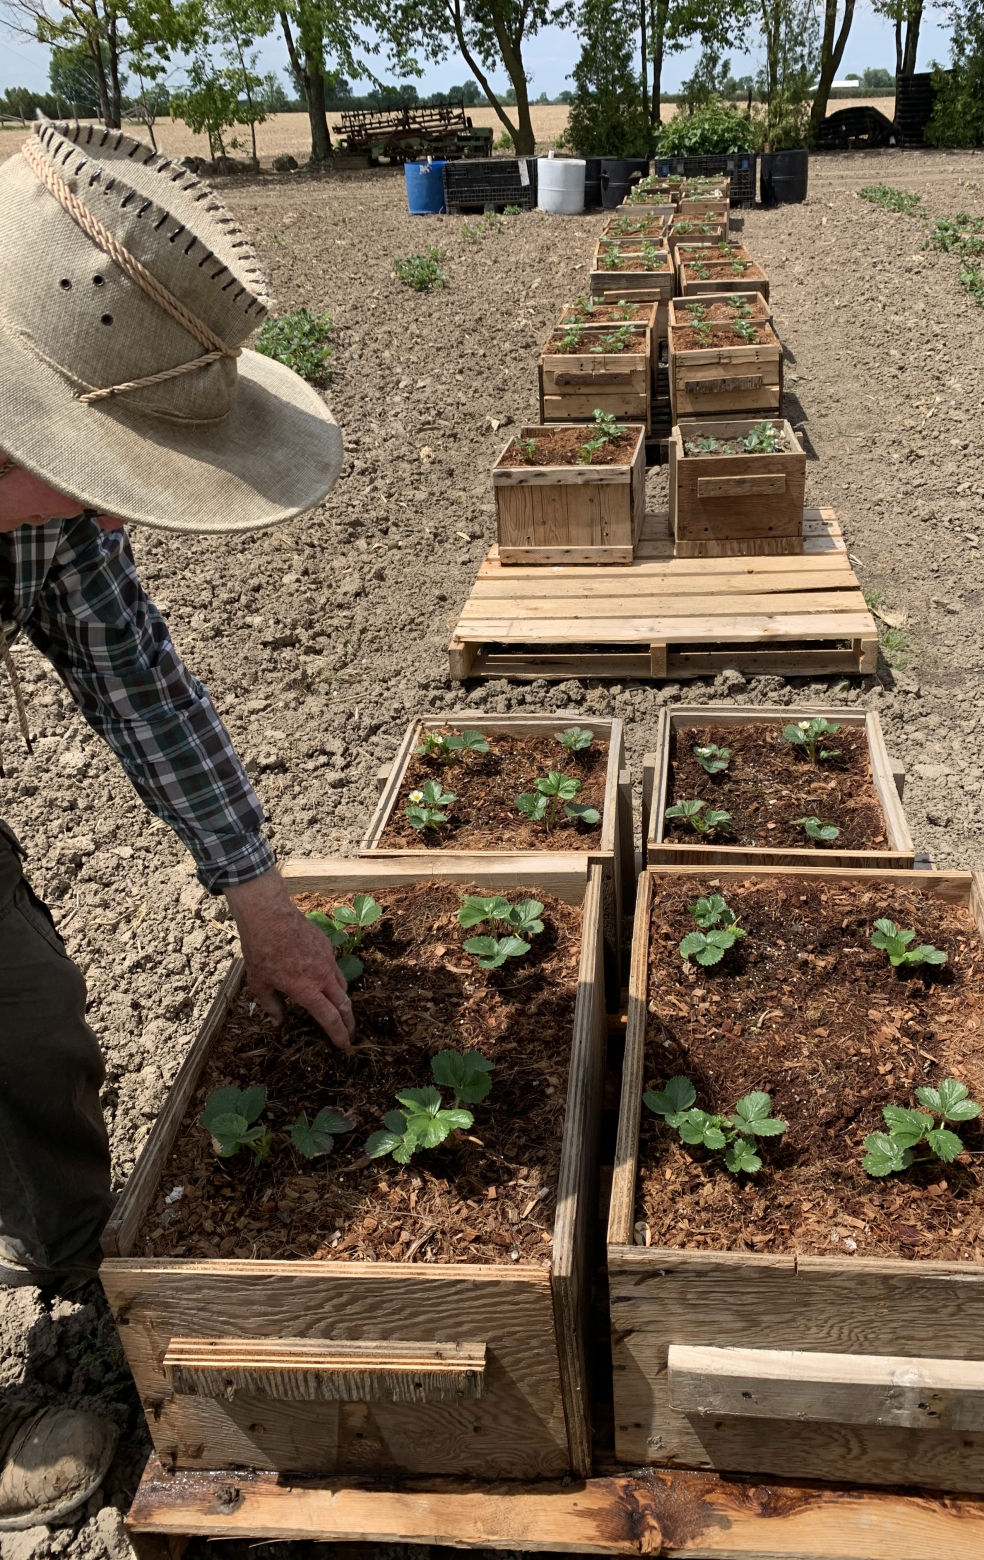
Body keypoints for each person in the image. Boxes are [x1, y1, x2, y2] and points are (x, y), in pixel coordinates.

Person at [0, 119, 351, 1529]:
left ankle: (89, 1283)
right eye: (96, 466)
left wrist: (259, 899)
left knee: (25, 1018)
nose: (113, 513)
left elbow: (133, 678)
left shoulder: (46, 520)